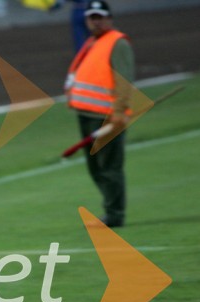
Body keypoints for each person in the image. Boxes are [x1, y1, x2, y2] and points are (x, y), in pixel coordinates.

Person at [65, 0, 134, 227]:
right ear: (86, 20)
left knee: (110, 167)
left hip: (106, 116)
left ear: (109, 18)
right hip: (86, 114)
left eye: (99, 17)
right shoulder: (92, 42)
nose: (95, 21)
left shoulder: (117, 43)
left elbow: (124, 81)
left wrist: (118, 112)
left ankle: (114, 214)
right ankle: (111, 208)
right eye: (91, 17)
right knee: (95, 167)